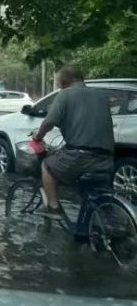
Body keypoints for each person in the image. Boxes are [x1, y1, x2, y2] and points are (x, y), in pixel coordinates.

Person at [31, 64, 115, 218]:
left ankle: (53, 208)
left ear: (63, 83)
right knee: (93, 194)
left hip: (79, 156)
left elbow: (49, 122)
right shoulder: (101, 95)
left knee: (47, 166)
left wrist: (38, 137)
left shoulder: (65, 95)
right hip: (107, 159)